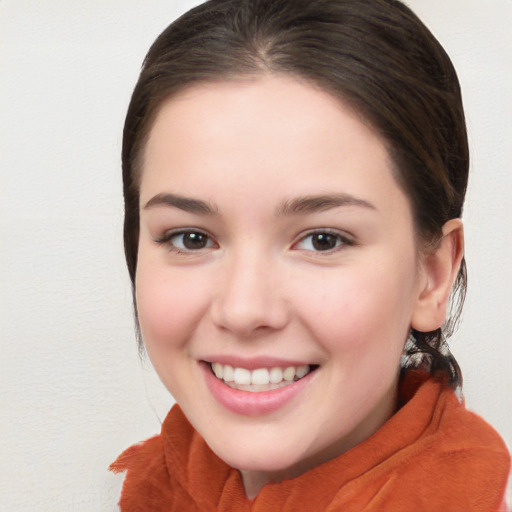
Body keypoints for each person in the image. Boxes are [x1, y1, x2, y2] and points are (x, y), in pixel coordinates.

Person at [110, 0, 510, 509]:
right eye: (192, 238)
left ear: (431, 275)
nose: (244, 309)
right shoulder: (150, 491)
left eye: (323, 239)